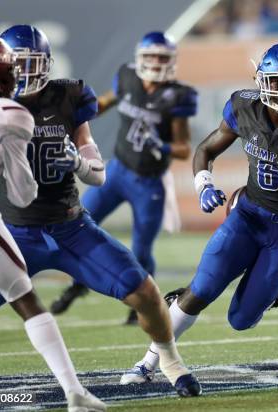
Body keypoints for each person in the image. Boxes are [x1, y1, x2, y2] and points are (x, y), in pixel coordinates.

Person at [0, 25, 201, 397]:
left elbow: (98, 173)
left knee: (147, 295)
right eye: (15, 66)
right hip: (14, 233)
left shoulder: (68, 96)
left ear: (46, 64)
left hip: (71, 227)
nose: (23, 74)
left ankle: (171, 361)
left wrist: (77, 161)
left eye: (30, 64)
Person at [120, 43, 278, 384]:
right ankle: (148, 363)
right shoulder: (244, 106)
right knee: (203, 289)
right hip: (249, 215)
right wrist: (204, 184)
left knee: (242, 319)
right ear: (261, 79)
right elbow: (206, 148)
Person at [0, 34, 106, 411]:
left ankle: (75, 393)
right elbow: (24, 193)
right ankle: (74, 393)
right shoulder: (7, 114)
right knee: (26, 298)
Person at [50, 31, 197, 325]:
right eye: (151, 56)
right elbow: (103, 102)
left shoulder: (179, 95)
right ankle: (78, 285)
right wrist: (73, 117)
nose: (156, 62)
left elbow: (183, 149)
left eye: (162, 57)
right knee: (80, 223)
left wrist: (162, 146)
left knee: (142, 248)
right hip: (117, 171)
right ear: (140, 58)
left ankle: (143, 303)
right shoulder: (127, 76)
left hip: (148, 182)